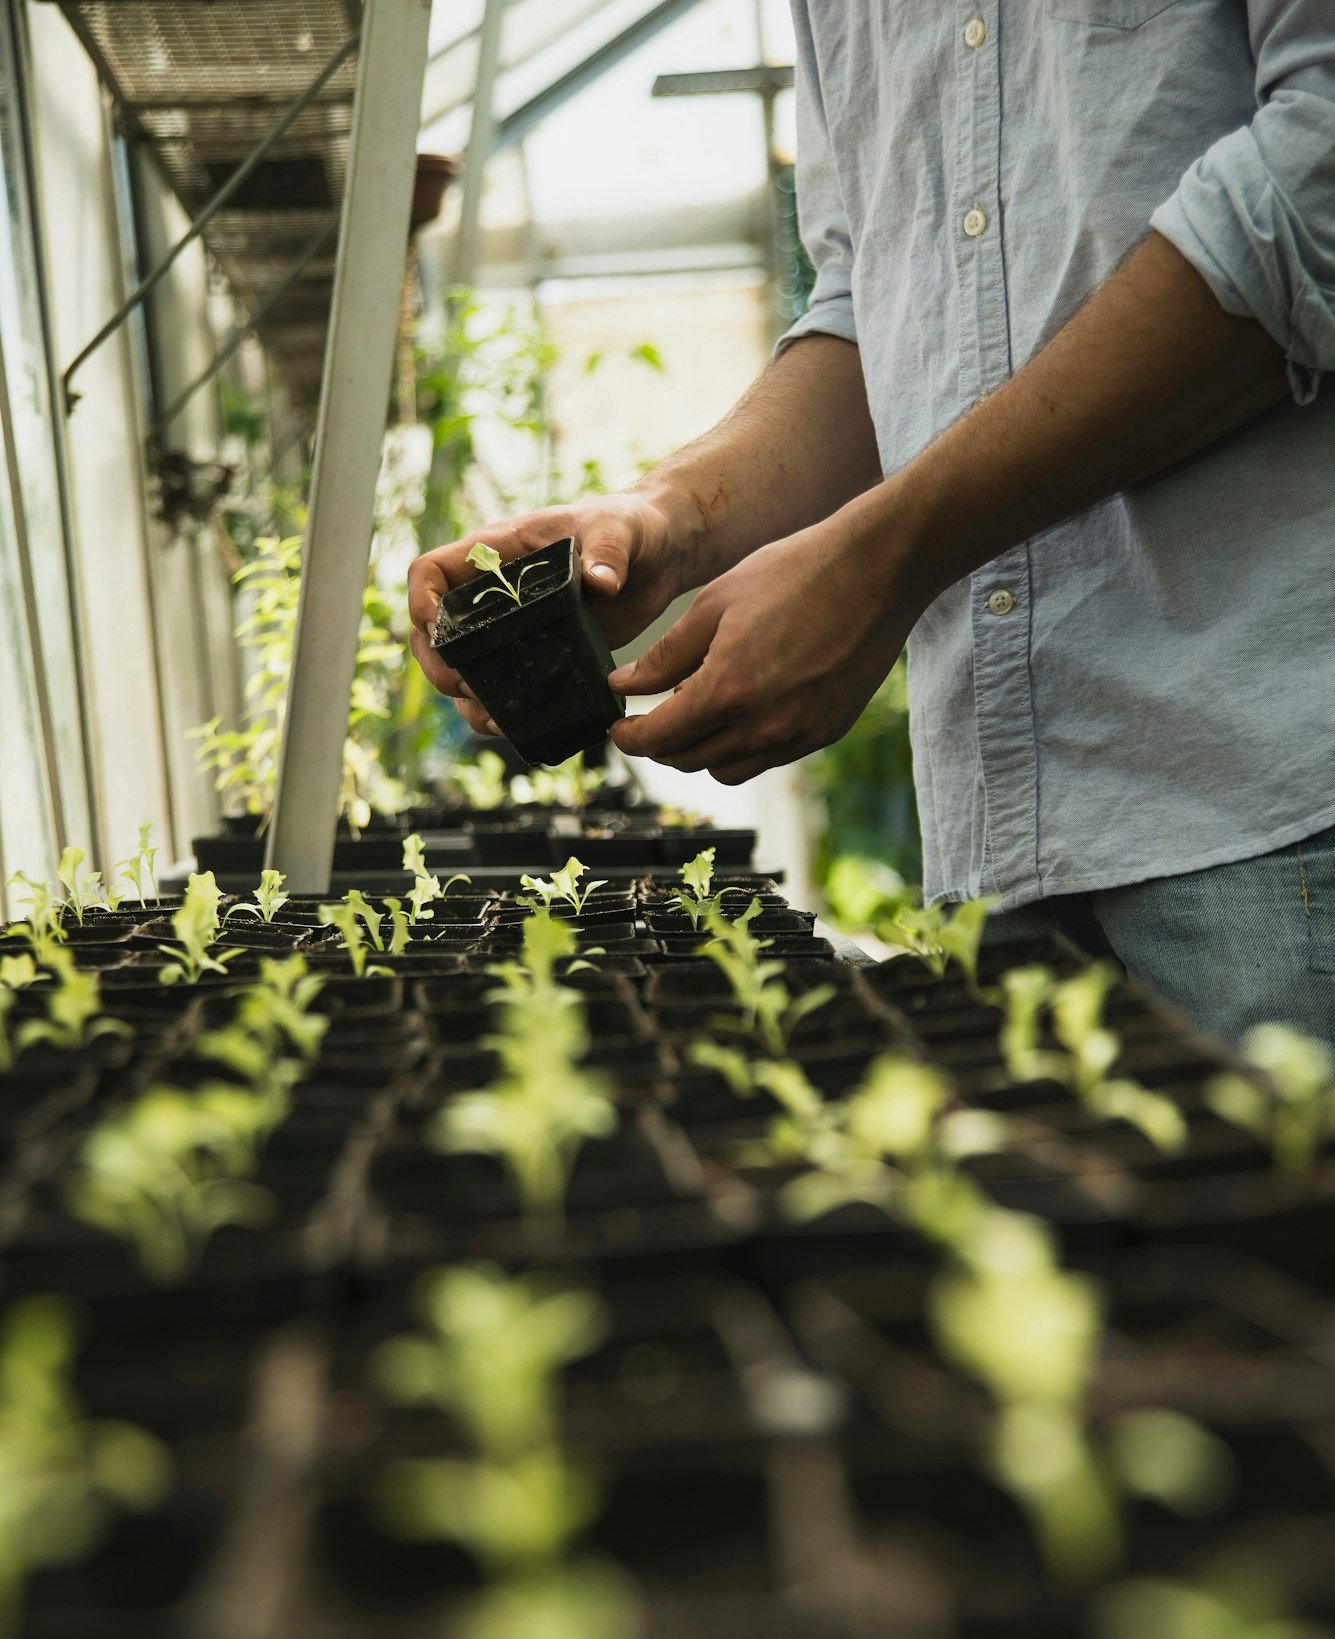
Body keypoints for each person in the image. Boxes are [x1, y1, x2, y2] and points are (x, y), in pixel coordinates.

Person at [410, 1, 1335, 1051]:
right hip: (1005, 850)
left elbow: (1315, 181)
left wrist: (885, 558)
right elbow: (877, 314)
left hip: (1279, 808)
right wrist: (667, 515)